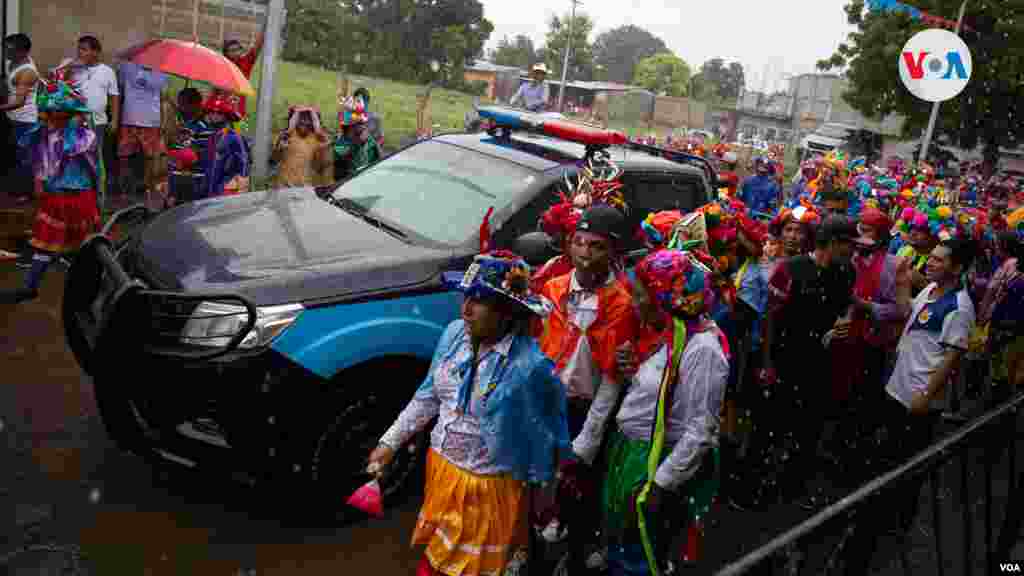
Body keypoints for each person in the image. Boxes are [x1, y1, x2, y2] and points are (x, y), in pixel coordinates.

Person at [369, 250, 570, 576]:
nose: (466, 310)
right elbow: (428, 397)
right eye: (466, 297)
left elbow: (545, 438)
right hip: (442, 473)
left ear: (507, 312)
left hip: (489, 490)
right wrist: (390, 442)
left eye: (480, 301)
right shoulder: (452, 335)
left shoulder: (530, 369)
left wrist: (542, 502)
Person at [843, 238, 976, 575]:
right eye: (930, 258)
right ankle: (880, 513)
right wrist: (903, 282)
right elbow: (906, 313)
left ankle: (897, 523)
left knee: (908, 463)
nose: (930, 263)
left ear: (957, 268)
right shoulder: (930, 291)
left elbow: (952, 356)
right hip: (897, 386)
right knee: (888, 454)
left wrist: (927, 395)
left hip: (918, 400)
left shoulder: (960, 307)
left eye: (938, 260)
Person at [606, 249, 729, 575]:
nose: (634, 304)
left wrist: (658, 485)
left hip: (661, 463)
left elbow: (701, 429)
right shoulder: (665, 335)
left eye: (641, 295)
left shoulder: (702, 349)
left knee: (648, 553)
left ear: (664, 299)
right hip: (636, 454)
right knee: (625, 543)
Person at [742, 215, 857, 511]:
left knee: (808, 427)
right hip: (783, 359)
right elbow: (769, 318)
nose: (852, 250)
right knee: (768, 426)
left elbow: (846, 307)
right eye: (849, 244)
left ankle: (793, 487)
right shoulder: (790, 270)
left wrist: (843, 322)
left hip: (820, 363)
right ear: (833, 243)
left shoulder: (846, 271)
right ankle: (750, 488)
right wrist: (767, 363)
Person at [1, 76, 100, 304]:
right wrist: (38, 182)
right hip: (55, 198)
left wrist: (74, 125)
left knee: (83, 248)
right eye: (46, 112)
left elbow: (74, 148)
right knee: (43, 244)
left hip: (78, 199)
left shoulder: (84, 137)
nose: (46, 117)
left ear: (67, 115)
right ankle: (29, 287)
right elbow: (37, 161)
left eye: (54, 113)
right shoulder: (42, 135)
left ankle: (85, 292)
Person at [115, 61, 167, 207]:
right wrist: (116, 118)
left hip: (151, 122)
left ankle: (148, 190)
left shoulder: (161, 72)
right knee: (124, 157)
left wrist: (163, 122)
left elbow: (163, 99)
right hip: (129, 120)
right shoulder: (126, 67)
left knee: (150, 158)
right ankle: (125, 192)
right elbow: (119, 93)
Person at [1, 33, 39, 205]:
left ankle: (26, 193)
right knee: (13, 156)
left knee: (25, 158)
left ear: (22, 52)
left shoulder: (27, 72)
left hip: (25, 120)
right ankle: (14, 189)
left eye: (9, 49)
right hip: (12, 117)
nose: (6, 52)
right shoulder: (12, 63)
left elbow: (19, 102)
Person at [199, 93, 249, 198]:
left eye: (218, 113)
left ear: (226, 116)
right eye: (211, 112)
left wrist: (241, 188)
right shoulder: (211, 137)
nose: (214, 115)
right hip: (207, 189)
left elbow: (244, 163)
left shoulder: (235, 137)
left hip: (225, 189)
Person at [271, 106, 332, 189]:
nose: (304, 122)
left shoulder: (317, 139)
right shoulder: (285, 136)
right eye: (300, 118)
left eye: (308, 119)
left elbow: (321, 166)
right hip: (284, 186)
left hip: (306, 188)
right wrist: (280, 148)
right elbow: (273, 160)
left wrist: (324, 148)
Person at [334, 95, 381, 181]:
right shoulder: (340, 143)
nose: (362, 128)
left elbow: (378, 163)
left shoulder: (370, 142)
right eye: (357, 125)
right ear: (347, 128)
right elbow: (343, 156)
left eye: (362, 124)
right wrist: (359, 142)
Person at [222, 33, 264, 120]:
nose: (236, 53)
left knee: (235, 131)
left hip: (238, 111)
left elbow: (258, 46)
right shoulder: (222, 65)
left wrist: (267, 26)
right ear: (226, 53)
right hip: (221, 109)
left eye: (238, 49)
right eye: (232, 50)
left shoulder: (246, 62)